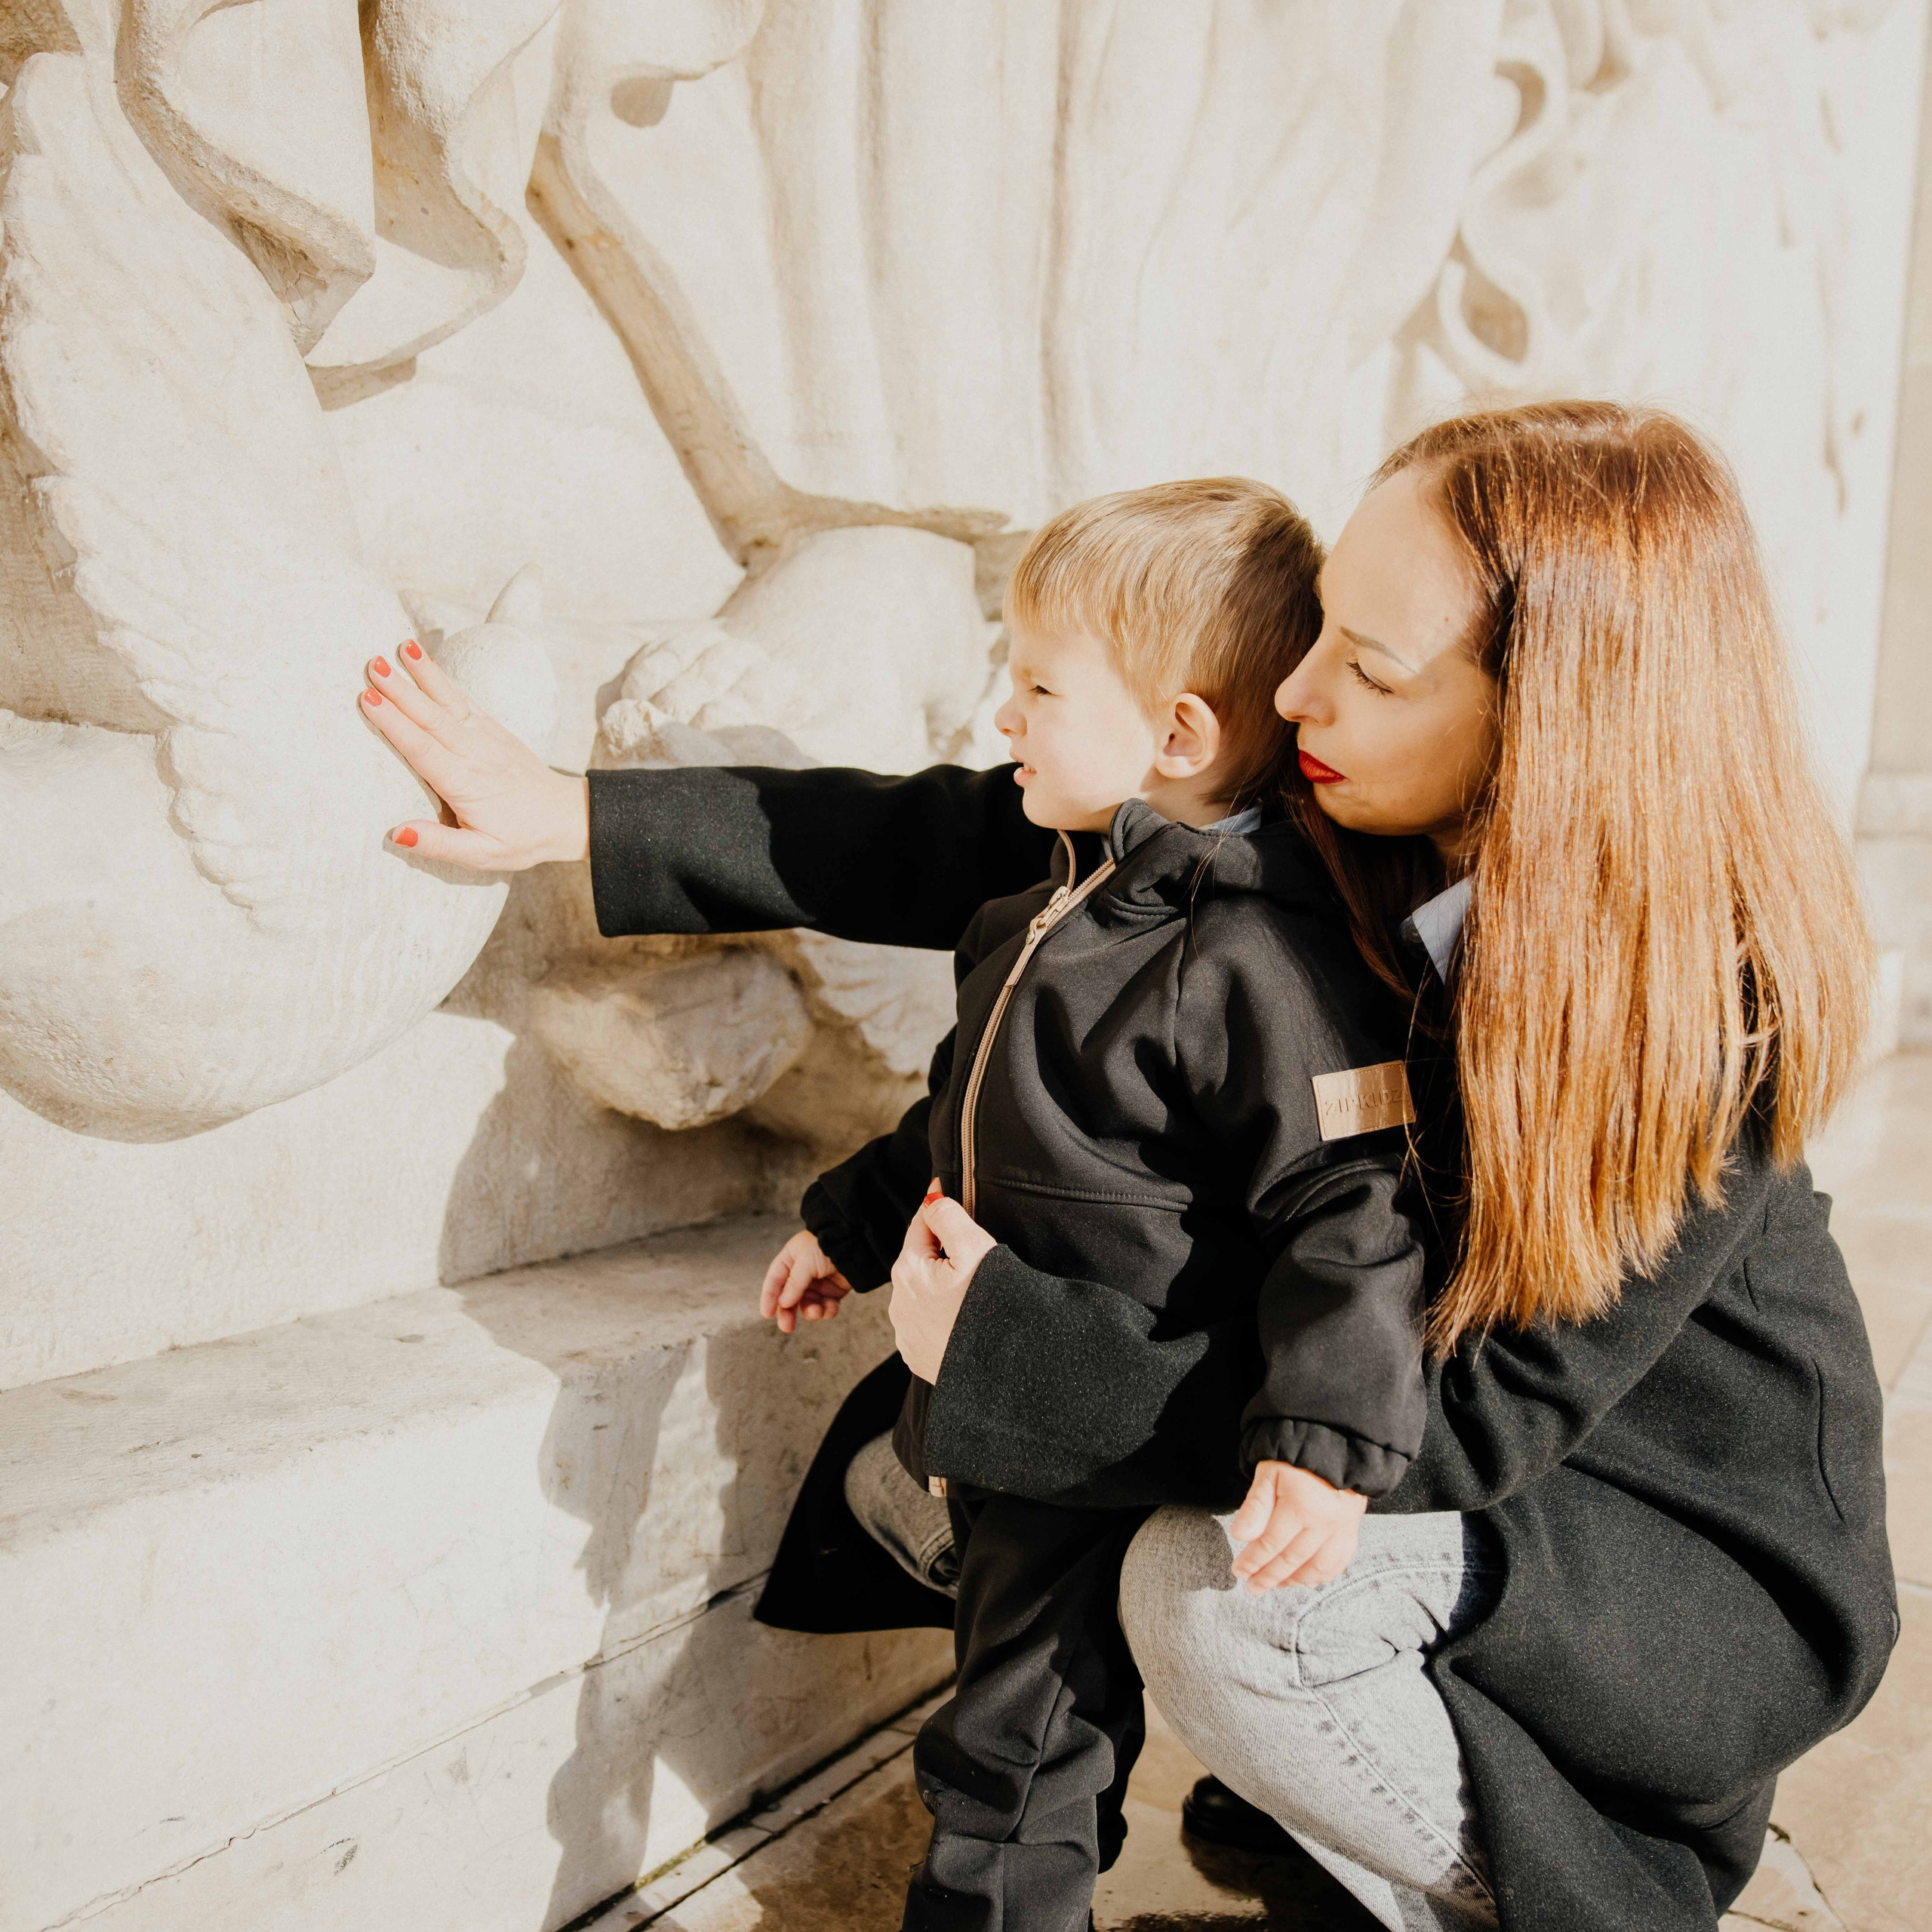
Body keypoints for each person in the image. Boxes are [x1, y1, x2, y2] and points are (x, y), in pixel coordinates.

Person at [355, 401, 1897, 1932]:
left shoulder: (1692, 1020)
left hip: (1655, 1553)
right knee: (1083, 1508)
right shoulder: (1345, 806)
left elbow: (1461, 1419)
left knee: (1208, 1598)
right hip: (1450, 1445)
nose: (1291, 688)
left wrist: (1017, 1357)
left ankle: (1586, 1880)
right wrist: (569, 814)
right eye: (1321, 626)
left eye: (1368, 667)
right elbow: (964, 834)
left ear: (1551, 723)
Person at [752, 480, 1429, 1930]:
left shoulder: (1258, 959)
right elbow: (962, 1112)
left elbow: (1351, 1207)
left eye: (1040, 687)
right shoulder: (1045, 912)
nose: (1002, 716)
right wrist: (849, 1225)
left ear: (1176, 736)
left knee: (1018, 1758)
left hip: (1096, 1425)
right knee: (1008, 1731)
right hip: (1011, 1410)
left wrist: (1325, 1440)